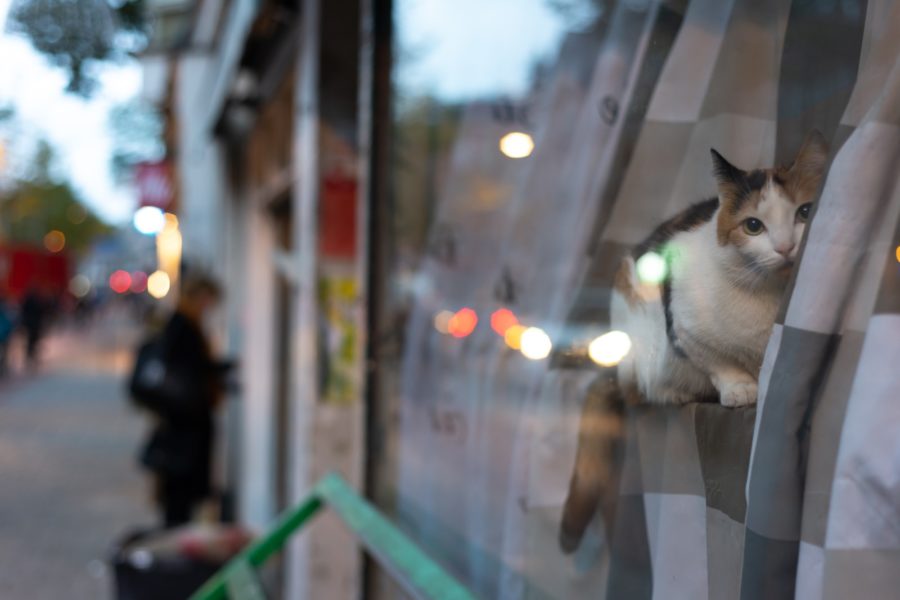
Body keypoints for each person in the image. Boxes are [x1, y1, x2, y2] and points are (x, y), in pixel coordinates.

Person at [138, 274, 231, 527]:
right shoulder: (183, 325)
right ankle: (176, 544)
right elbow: (186, 370)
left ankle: (177, 535)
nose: (209, 306)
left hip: (181, 422)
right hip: (183, 425)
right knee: (180, 495)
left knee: (180, 494)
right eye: (208, 300)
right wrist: (214, 372)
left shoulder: (183, 323)